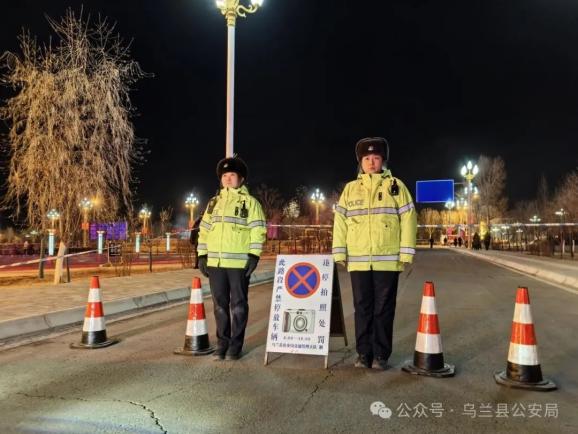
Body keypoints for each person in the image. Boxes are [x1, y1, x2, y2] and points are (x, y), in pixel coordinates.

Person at [332, 137, 417, 370]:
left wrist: (406, 252)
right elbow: (340, 222)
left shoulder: (396, 187)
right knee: (362, 308)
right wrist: (339, 252)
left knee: (384, 309)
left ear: (383, 161)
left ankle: (381, 355)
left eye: (376, 158)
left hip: (387, 261)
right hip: (359, 261)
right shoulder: (350, 189)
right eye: (367, 158)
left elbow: (409, 218)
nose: (371, 162)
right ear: (360, 162)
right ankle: (363, 354)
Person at [197, 157, 266, 361]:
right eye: (224, 175)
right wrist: (202, 255)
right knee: (219, 305)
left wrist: (254, 255)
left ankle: (235, 345)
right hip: (216, 264)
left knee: (238, 305)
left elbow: (258, 231)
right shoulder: (213, 203)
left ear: (241, 179)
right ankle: (222, 343)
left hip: (238, 264)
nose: (228, 179)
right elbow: (204, 230)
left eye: (232, 175)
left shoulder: (251, 203)